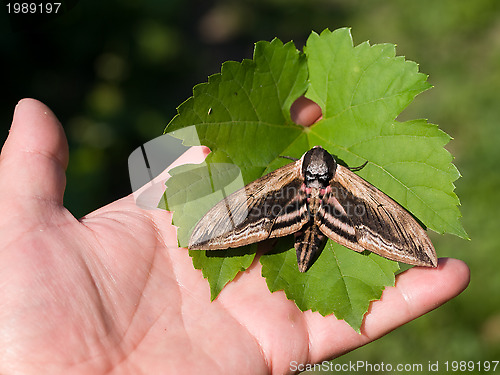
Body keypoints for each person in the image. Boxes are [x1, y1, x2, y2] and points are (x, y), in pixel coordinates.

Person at [0, 98, 469, 374]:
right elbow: (383, 212)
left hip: (284, 204)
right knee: (224, 222)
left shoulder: (284, 177)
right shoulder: (346, 181)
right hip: (343, 209)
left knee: (238, 210)